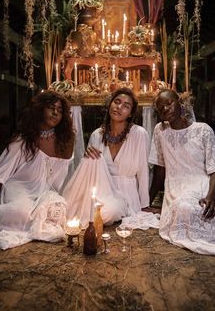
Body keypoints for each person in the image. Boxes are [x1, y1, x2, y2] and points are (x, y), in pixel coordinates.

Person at [149, 89, 215, 260]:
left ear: (180, 102)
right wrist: (148, 201)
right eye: (161, 108)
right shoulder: (160, 131)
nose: (166, 109)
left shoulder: (203, 130)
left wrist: (211, 197)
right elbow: (160, 169)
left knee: (196, 209)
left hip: (208, 186)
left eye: (169, 103)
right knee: (183, 206)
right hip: (177, 189)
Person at [0, 90, 75, 250]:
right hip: (19, 188)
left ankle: (24, 223)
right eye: (51, 107)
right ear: (40, 109)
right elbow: (0, 175)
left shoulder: (65, 140)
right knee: (23, 211)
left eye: (60, 110)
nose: (55, 112)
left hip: (44, 193)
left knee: (59, 211)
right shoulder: (23, 139)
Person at [63, 88, 151, 227]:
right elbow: (91, 174)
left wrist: (145, 205)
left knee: (106, 213)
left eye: (126, 106)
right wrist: (87, 159)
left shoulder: (139, 134)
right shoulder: (96, 135)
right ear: (110, 104)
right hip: (102, 192)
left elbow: (143, 173)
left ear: (130, 114)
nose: (119, 107)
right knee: (77, 211)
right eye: (117, 102)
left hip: (127, 193)